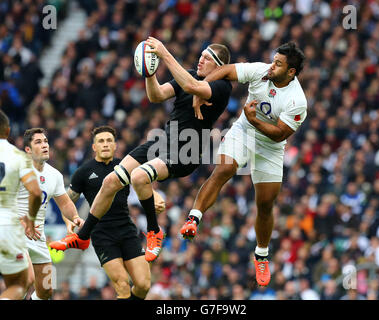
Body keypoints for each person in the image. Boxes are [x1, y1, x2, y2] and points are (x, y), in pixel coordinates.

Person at [50, 38, 232, 263]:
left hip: (187, 150)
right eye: (202, 54)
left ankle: (154, 231)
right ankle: (83, 236)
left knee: (138, 177)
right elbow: (157, 95)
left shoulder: (222, 87)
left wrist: (164, 53)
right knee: (110, 182)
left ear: (220, 66)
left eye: (208, 58)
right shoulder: (190, 74)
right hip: (163, 142)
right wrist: (150, 73)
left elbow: (192, 87)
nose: (201, 59)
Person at [181, 42, 307, 287]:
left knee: (265, 203)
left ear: (291, 72)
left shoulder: (297, 101)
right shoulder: (261, 70)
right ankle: (194, 218)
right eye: (273, 60)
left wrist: (254, 119)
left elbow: (280, 134)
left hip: (270, 144)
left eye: (278, 64)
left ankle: (261, 254)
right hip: (244, 131)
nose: (272, 66)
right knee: (225, 169)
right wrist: (202, 88)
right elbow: (226, 70)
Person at [64, 126, 152, 300]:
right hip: (102, 234)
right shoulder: (83, 172)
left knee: (143, 285)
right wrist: (69, 222)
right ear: (94, 147)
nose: (105, 144)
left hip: (126, 229)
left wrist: (154, 197)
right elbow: (66, 202)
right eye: (101, 141)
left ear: (115, 145)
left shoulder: (124, 166)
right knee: (122, 285)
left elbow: (142, 181)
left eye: (109, 141)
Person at [17, 128, 85, 300]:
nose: (45, 145)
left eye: (46, 141)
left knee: (46, 290)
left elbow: (65, 202)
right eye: (38, 142)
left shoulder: (54, 175)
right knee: (26, 280)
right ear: (28, 150)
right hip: (15, 233)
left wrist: (76, 218)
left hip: (38, 238)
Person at [0, 110, 42, 300]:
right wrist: (31, 219)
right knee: (20, 284)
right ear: (8, 131)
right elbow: (35, 192)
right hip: (6, 225)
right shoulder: (17, 156)